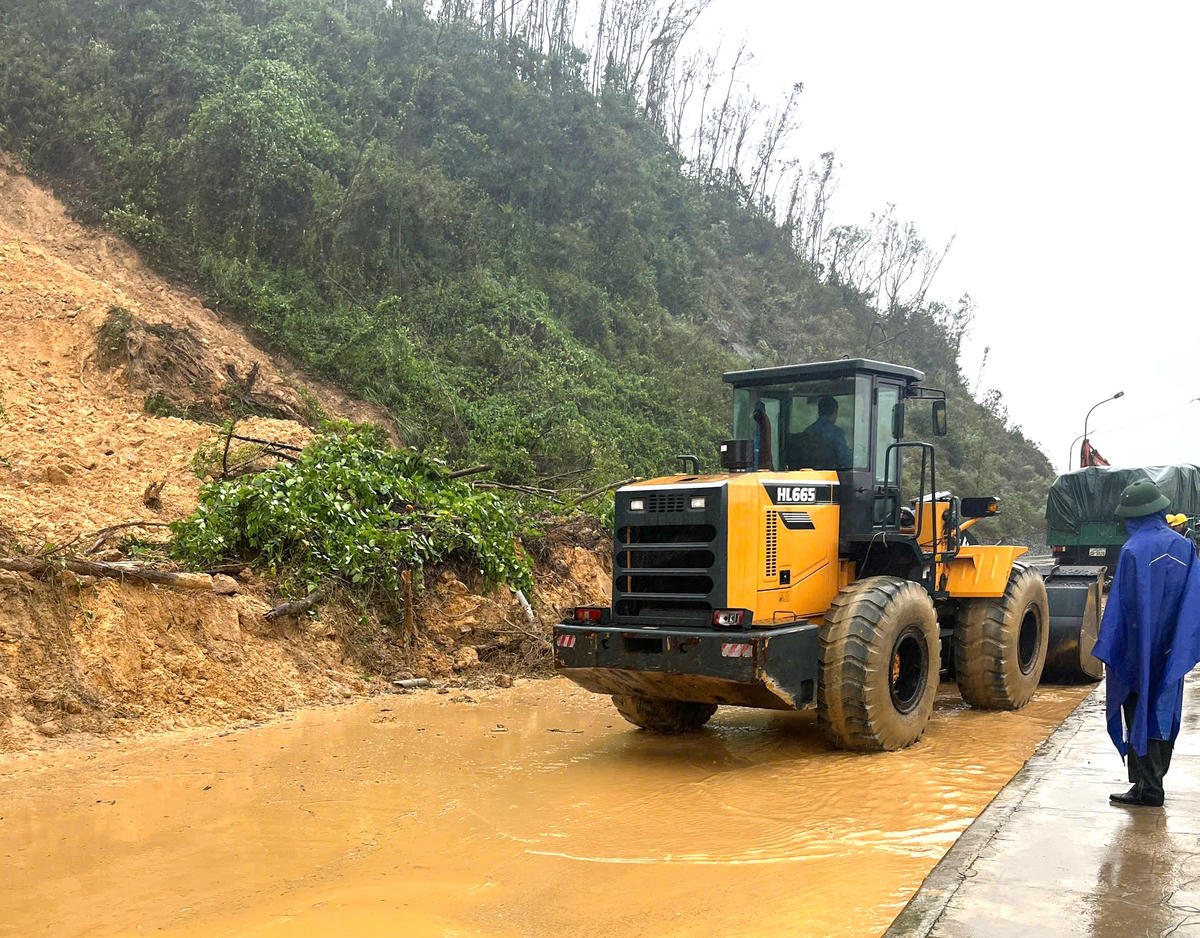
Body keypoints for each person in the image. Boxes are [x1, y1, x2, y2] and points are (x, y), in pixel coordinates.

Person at [1092, 480, 1200, 807]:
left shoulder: (1133, 550)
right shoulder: (1185, 548)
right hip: (1170, 649)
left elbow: (1122, 609)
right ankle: (1152, 785)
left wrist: (1116, 650)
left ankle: (1147, 788)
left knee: (1136, 709)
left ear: (1133, 516)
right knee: (1162, 711)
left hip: (1137, 651)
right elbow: (1192, 602)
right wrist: (1178, 644)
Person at [790, 395, 852, 470]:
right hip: (830, 477)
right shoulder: (836, 433)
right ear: (835, 412)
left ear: (819, 412)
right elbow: (846, 460)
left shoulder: (808, 431)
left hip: (810, 475)